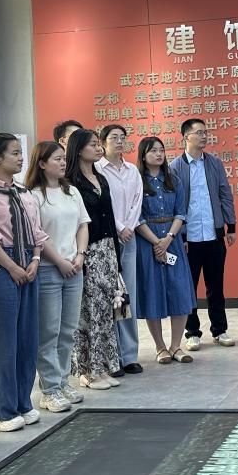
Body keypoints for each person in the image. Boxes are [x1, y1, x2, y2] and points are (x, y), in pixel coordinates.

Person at [0, 134, 48, 432]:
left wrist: (35, 260)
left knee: (27, 339)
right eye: (14, 153)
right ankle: (0, 410)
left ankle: (22, 402)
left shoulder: (24, 192)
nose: (20, 158)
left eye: (20, 152)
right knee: (2, 342)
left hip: (29, 263)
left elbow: (37, 231)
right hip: (1, 267)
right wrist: (13, 267)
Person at [25, 141, 88, 412]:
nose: (63, 163)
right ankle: (49, 389)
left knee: (67, 331)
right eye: (57, 159)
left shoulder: (71, 191)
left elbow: (82, 225)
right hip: (49, 269)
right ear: (41, 164)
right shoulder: (33, 196)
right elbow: (37, 235)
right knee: (49, 332)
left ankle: (63, 382)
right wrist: (60, 261)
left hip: (74, 267)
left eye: (64, 158)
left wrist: (80, 255)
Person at [170, 119, 238, 352]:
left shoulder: (214, 163)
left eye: (205, 132)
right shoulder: (175, 167)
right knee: (189, 287)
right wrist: (179, 236)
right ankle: (192, 333)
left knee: (216, 286)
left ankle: (219, 330)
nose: (204, 136)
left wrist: (231, 226)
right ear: (186, 137)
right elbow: (174, 204)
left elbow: (225, 194)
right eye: (199, 133)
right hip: (188, 239)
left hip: (213, 235)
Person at [64, 130, 123, 391]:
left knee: (105, 312)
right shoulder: (70, 182)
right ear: (78, 149)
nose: (98, 148)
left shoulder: (100, 178)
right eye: (92, 145)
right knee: (88, 312)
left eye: (98, 144)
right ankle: (88, 370)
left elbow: (110, 216)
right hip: (88, 251)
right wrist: (81, 253)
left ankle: (104, 366)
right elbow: (76, 223)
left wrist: (117, 257)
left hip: (108, 249)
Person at [134, 137, 195, 365]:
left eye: (161, 150)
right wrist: (156, 242)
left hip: (173, 241)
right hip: (146, 242)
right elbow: (136, 217)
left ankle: (176, 346)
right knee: (153, 292)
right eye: (153, 151)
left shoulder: (173, 179)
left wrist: (168, 239)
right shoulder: (137, 182)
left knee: (179, 291)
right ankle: (160, 347)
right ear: (143, 156)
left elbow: (181, 213)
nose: (159, 154)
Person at [97, 125, 143, 377]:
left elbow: (137, 201)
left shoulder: (132, 170)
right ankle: (110, 357)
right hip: (107, 238)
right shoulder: (97, 169)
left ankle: (129, 355)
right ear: (102, 142)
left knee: (127, 296)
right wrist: (119, 227)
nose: (119, 141)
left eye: (122, 138)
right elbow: (103, 205)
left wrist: (128, 227)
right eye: (113, 138)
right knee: (108, 296)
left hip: (129, 238)